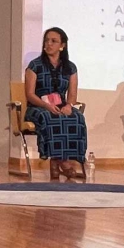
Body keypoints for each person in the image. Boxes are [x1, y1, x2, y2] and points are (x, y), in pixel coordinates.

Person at [24, 28, 87, 180]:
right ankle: (63, 162)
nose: (49, 44)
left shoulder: (70, 67)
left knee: (77, 118)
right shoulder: (35, 65)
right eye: (46, 40)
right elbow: (30, 95)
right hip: (38, 107)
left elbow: (72, 95)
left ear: (62, 45)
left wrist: (68, 106)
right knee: (49, 117)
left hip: (61, 105)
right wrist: (46, 106)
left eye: (53, 41)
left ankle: (58, 162)